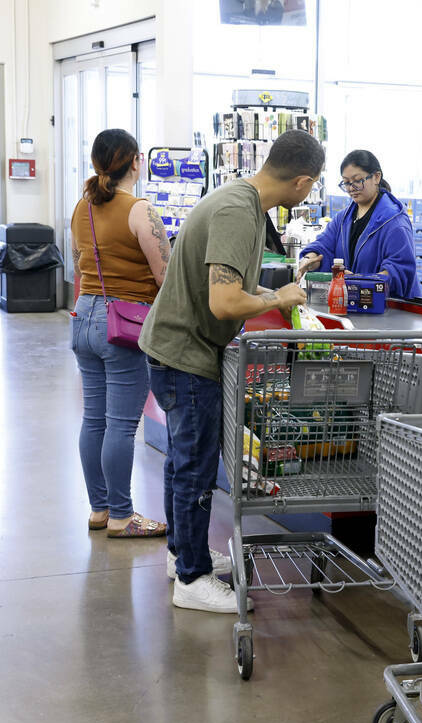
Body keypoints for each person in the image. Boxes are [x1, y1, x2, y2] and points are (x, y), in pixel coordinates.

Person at [139, 129, 320, 613]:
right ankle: (192, 579)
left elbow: (231, 282)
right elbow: (224, 302)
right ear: (302, 183)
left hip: (174, 347)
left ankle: (184, 555)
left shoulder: (238, 199)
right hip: (186, 353)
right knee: (196, 468)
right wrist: (278, 298)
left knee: (182, 461)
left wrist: (265, 291)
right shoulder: (240, 213)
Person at [70, 128, 171, 538]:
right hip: (124, 324)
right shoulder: (140, 210)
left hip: (84, 317)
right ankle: (122, 516)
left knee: (94, 419)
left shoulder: (81, 207)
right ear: (136, 161)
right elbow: (166, 276)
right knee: (122, 425)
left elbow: (80, 266)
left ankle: (100, 509)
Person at [296, 149, 418, 298]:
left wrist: (360, 282)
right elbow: (323, 245)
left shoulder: (394, 222)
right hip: (354, 303)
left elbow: (400, 271)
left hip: (389, 309)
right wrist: (310, 259)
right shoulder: (343, 218)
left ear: (376, 177)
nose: (351, 188)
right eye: (346, 183)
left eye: (358, 181)